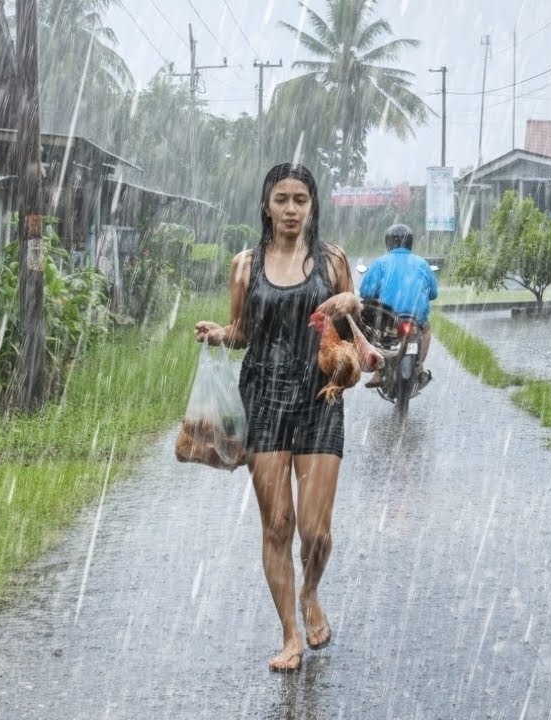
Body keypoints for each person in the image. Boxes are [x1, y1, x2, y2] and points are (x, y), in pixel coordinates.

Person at [193, 163, 361, 672]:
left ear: (313, 206)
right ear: (267, 205)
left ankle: (310, 592)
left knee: (315, 530)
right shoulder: (245, 264)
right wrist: (222, 334)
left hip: (319, 397)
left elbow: (351, 327)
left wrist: (351, 300)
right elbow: (244, 331)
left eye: (301, 200)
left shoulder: (332, 261)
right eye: (281, 199)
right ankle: (290, 633)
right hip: (263, 398)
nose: (291, 209)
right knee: (277, 526)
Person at [358, 223, 439, 387]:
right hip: (416, 317)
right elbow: (433, 293)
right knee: (426, 330)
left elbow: (365, 292)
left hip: (388, 317)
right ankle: (419, 366)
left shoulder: (380, 263)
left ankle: (379, 370)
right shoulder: (422, 263)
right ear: (410, 242)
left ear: (388, 242)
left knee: (375, 331)